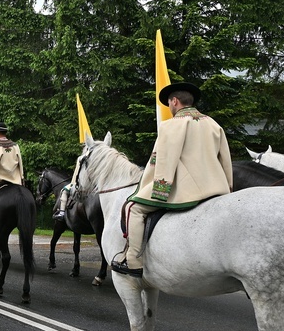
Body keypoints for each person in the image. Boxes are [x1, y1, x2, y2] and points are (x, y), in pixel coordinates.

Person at [111, 82, 233, 275]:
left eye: (169, 103)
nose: (169, 107)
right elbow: (225, 160)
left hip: (185, 190)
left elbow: (163, 162)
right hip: (217, 188)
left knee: (133, 208)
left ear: (174, 101)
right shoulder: (213, 124)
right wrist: (228, 187)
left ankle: (133, 260)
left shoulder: (171, 125)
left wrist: (158, 190)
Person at [53, 156, 82, 221]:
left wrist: (74, 181)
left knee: (64, 191)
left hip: (80, 183)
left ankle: (61, 213)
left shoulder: (81, 158)